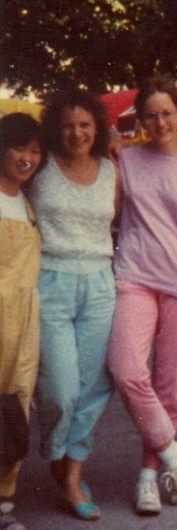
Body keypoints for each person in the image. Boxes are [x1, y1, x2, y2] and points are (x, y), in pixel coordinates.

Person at [107, 75, 177, 516]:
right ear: (140, 119)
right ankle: (175, 451)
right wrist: (107, 148)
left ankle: (149, 477)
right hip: (134, 277)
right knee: (126, 370)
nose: (160, 123)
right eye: (151, 116)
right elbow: (109, 209)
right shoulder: (126, 159)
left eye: (168, 114)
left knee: (168, 385)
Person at [28, 89, 119, 521]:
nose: (77, 133)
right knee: (60, 390)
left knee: (93, 386)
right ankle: (55, 456)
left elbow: (119, 221)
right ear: (54, 128)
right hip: (50, 280)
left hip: (100, 283)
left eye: (85, 124)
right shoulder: (40, 165)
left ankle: (72, 474)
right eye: (68, 125)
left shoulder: (111, 169)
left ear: (97, 127)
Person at [0, 113, 43, 530]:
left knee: (15, 409)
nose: (27, 158)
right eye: (19, 148)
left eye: (35, 150)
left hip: (24, 325)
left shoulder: (29, 203)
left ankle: (4, 503)